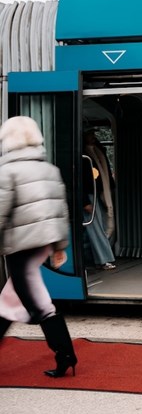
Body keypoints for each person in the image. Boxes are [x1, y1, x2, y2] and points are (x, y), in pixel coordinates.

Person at [0, 116, 77, 377]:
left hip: (20, 245)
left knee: (40, 304)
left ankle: (66, 354)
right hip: (41, 242)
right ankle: (66, 354)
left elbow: (0, 211)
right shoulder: (49, 169)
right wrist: (59, 246)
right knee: (10, 300)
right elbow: (60, 210)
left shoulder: (6, 170)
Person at [82, 128, 117, 270]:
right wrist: (84, 201)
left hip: (98, 192)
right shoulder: (83, 154)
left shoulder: (95, 151)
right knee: (95, 227)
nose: (93, 136)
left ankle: (97, 257)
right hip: (90, 194)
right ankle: (103, 259)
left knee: (101, 225)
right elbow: (79, 180)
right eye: (90, 134)